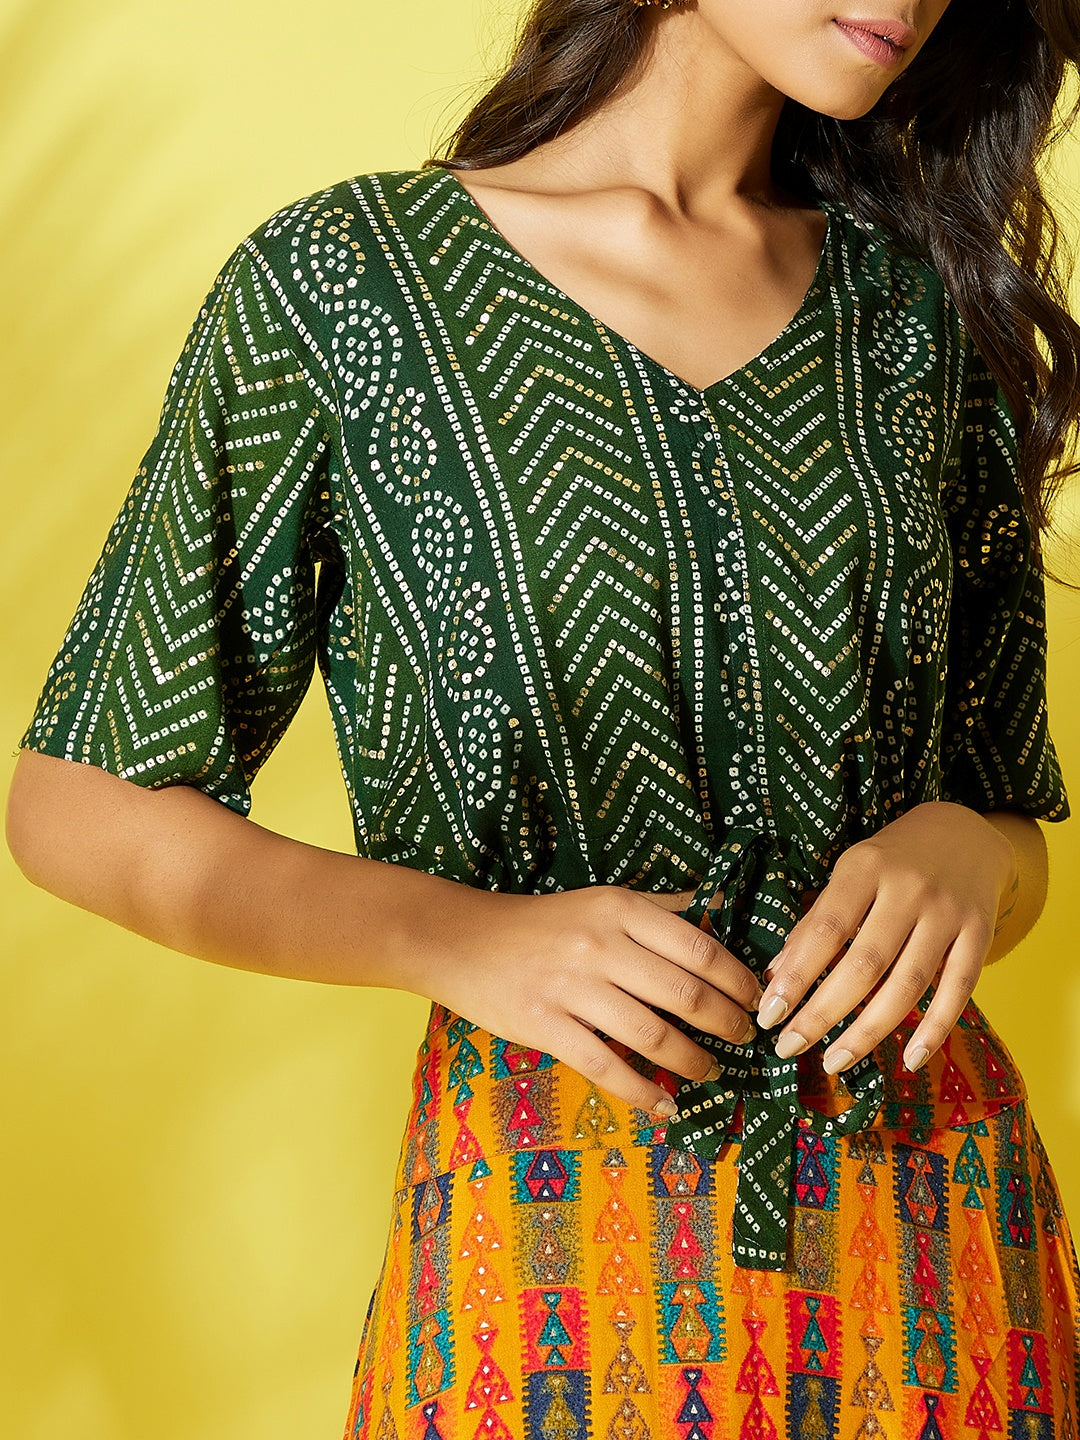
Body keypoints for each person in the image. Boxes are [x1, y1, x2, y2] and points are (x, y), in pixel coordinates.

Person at [7, 0, 1080, 1434]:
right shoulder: (351, 289)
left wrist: (973, 855)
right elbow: (76, 800)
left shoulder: (920, 316)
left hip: (932, 1249)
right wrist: (455, 936)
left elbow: (1010, 828)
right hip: (544, 1242)